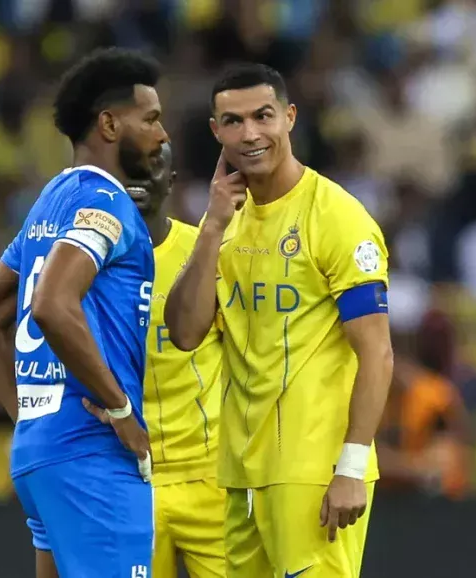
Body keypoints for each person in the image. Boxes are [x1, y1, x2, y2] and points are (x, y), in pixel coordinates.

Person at [165, 63, 395, 578]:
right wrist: (211, 228)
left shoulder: (337, 217)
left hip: (314, 468)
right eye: (233, 121)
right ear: (215, 130)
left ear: (289, 117)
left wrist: (351, 468)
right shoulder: (223, 218)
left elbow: (376, 352)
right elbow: (185, 333)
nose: (250, 134)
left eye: (263, 116)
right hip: (241, 470)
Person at [0, 47, 168, 578]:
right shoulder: (107, 204)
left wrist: (29, 417)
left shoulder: (50, 202)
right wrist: (122, 412)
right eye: (149, 119)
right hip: (93, 456)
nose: (162, 135)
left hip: (44, 452)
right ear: (108, 124)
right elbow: (53, 304)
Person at [83, 143, 225, 578]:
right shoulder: (81, 262)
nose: (141, 176)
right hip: (126, 477)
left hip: (211, 475)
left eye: (153, 166)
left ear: (172, 179)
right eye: (128, 167)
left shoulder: (206, 251)